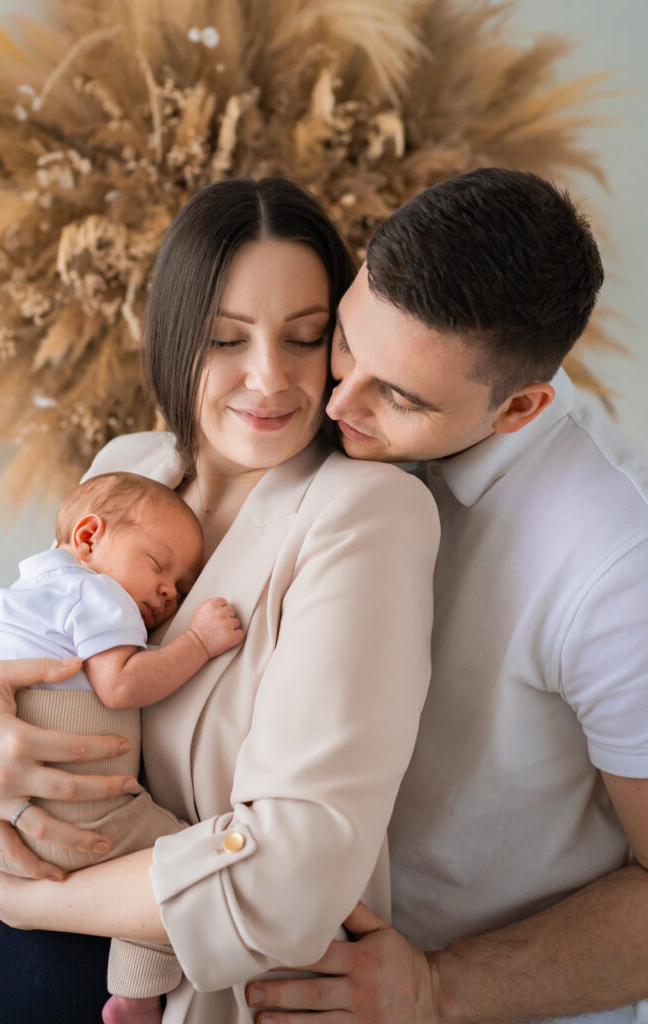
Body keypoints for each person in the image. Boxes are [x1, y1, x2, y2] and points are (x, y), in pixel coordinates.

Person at [0, 176, 439, 1024]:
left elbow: (291, 875)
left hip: (188, 985)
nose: (268, 378)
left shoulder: (365, 513)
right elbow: (31, 649)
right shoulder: (131, 465)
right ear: (176, 336)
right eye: (226, 339)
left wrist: (23, 899)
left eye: (303, 338)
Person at [241, 168, 648, 1024]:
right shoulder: (316, 414)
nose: (337, 400)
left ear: (519, 407)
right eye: (349, 341)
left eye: (400, 395)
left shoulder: (618, 565)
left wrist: (439, 988)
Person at [0, 469, 244, 1024]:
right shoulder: (95, 591)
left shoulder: (4, 598)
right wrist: (195, 641)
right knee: (183, 863)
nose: (169, 592)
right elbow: (120, 685)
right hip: (80, 812)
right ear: (90, 538)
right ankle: (135, 997)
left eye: (183, 589)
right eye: (159, 566)